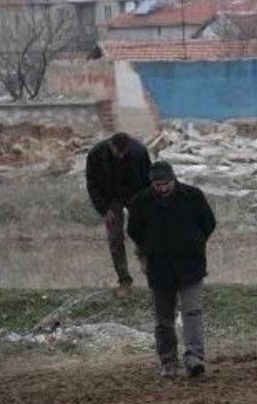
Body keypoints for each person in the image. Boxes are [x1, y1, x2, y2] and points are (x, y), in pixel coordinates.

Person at [127, 161, 216, 378]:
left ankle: (194, 358)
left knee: (192, 313)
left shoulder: (193, 196)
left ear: (174, 179)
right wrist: (150, 249)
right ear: (152, 184)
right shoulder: (140, 202)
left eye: (166, 184)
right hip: (159, 268)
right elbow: (134, 231)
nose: (163, 189)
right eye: (158, 185)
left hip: (190, 265)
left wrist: (193, 243)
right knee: (163, 319)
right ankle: (168, 362)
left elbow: (208, 223)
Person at [86, 131, 152, 298]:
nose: (121, 156)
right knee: (115, 239)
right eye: (118, 153)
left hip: (135, 194)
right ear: (111, 146)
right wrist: (102, 208)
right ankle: (124, 280)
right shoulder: (96, 154)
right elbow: (91, 182)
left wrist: (146, 205)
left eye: (125, 152)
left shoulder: (139, 152)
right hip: (110, 199)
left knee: (144, 229)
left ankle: (143, 254)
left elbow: (148, 179)